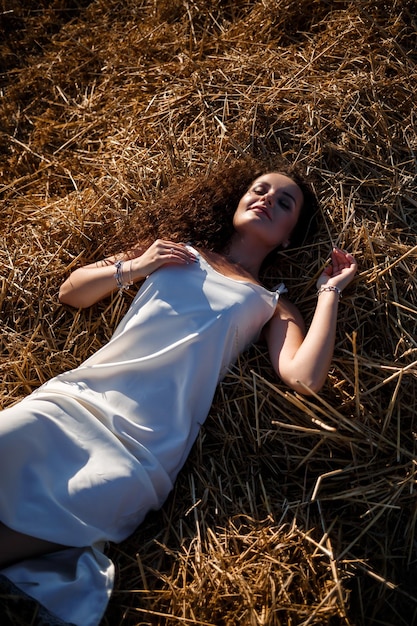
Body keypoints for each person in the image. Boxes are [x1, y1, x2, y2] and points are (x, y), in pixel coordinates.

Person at [0, 158, 357, 625]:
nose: (267, 198)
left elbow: (303, 378)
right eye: (260, 189)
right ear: (238, 200)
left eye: (284, 201)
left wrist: (329, 291)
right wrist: (137, 265)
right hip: (75, 399)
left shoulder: (273, 304)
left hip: (142, 448)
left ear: (290, 235)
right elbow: (73, 292)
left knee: (62, 517)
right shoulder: (171, 250)